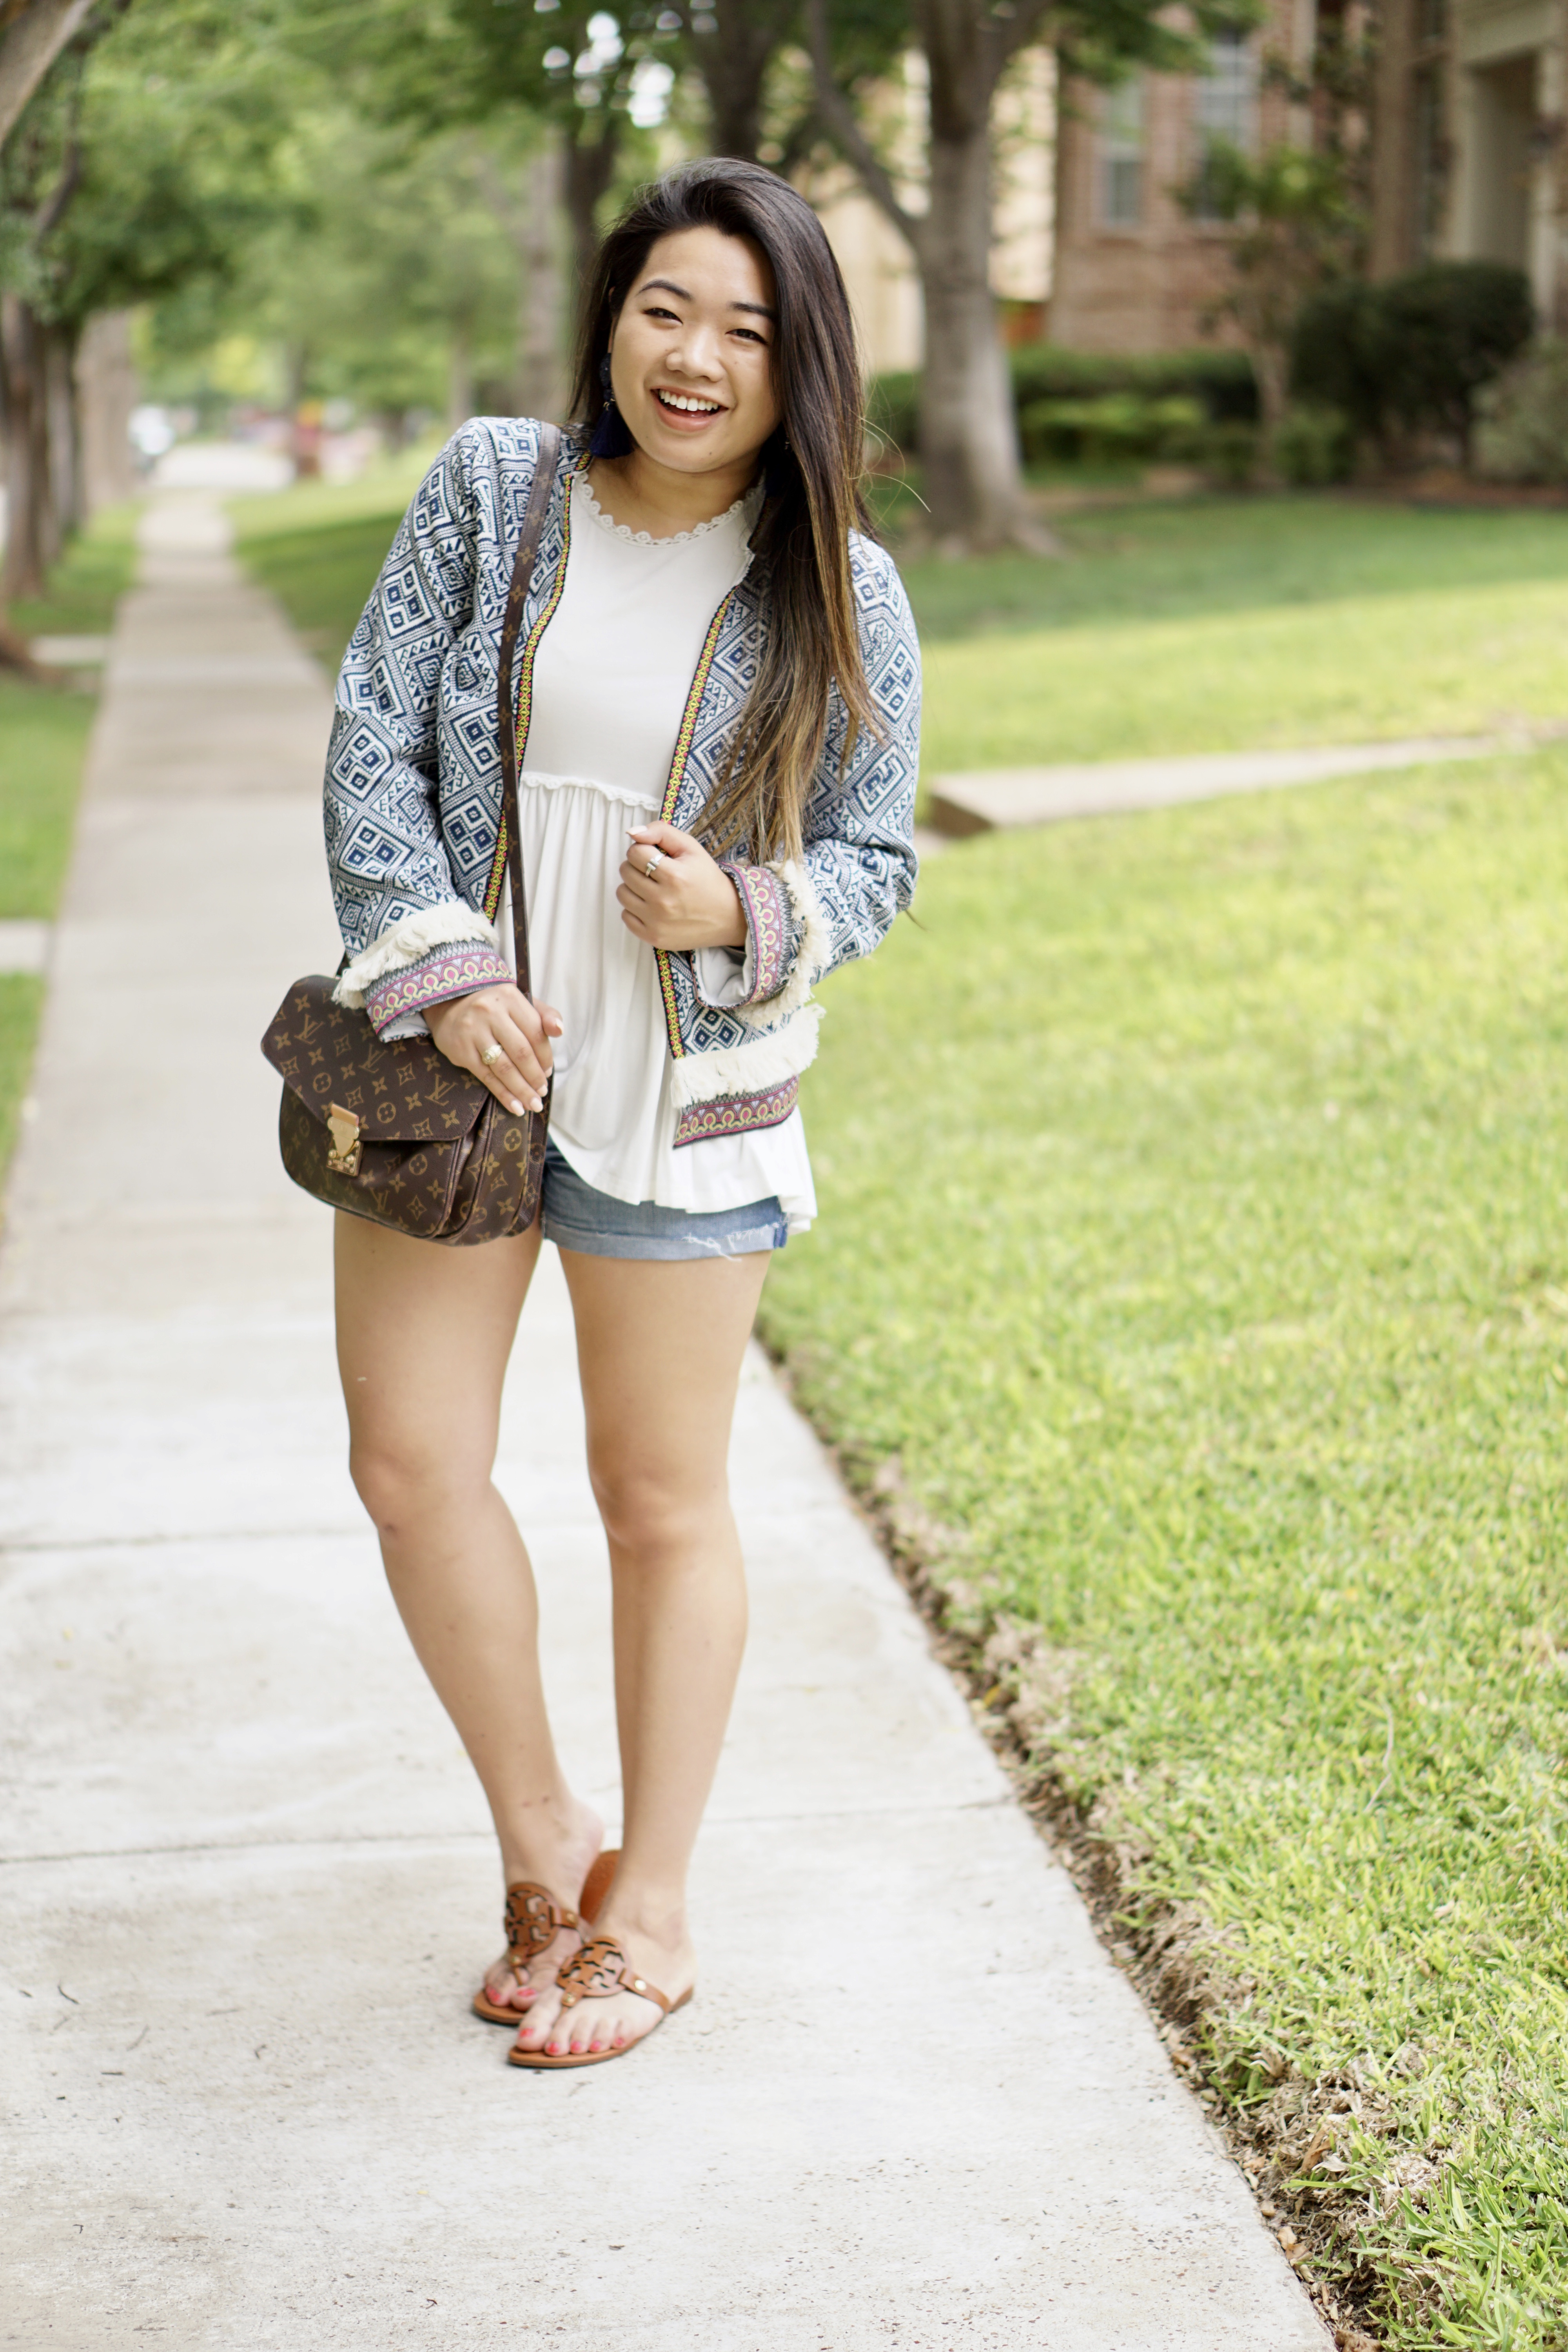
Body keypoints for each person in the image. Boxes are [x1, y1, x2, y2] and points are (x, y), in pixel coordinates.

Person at [322, 158, 920, 2070]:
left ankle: (648, 1914)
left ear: (798, 364)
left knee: (658, 1503)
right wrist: (445, 967)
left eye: (748, 328)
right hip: (454, 1068)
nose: (698, 354)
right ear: (611, 316)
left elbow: (878, 857)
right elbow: (373, 740)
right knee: (411, 1465)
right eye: (669, 306)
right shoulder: (492, 493)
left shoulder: (841, 583)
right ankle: (543, 1847)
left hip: (688, 1095)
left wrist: (744, 912)